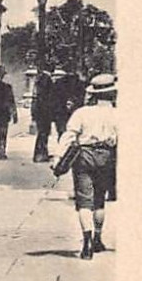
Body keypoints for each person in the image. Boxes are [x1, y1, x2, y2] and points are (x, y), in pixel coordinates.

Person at [55, 73, 117, 259]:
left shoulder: (81, 113)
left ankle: (87, 242)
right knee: (99, 200)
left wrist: (58, 157)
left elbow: (69, 135)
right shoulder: (119, 114)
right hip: (107, 157)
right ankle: (98, 238)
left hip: (84, 156)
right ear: (112, 94)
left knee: (83, 200)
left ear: (94, 94)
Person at [31, 69, 57, 162]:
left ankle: (42, 153)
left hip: (40, 112)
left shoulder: (39, 83)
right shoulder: (46, 80)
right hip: (44, 112)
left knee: (43, 133)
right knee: (43, 133)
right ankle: (40, 154)